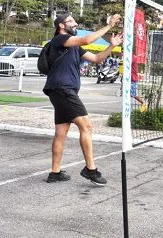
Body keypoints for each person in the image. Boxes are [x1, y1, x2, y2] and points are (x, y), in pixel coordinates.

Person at [43, 13, 123, 185]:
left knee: (61, 133)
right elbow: (86, 40)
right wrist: (108, 26)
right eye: (71, 21)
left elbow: (96, 59)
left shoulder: (74, 47)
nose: (75, 23)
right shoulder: (59, 40)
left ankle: (55, 173)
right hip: (63, 90)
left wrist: (111, 46)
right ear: (61, 26)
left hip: (61, 91)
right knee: (86, 125)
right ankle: (90, 169)